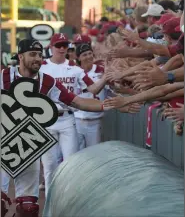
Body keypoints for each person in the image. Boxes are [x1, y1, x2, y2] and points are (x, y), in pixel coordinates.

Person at [1, 39, 113, 217]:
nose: (37, 58)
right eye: (32, 54)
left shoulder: (47, 81)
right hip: (3, 145)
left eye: (39, 54)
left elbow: (77, 101)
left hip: (28, 145)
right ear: (20, 56)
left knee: (29, 207)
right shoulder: (4, 76)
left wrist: (110, 105)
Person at [40, 33, 109, 197]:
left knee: (71, 163)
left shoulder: (75, 69)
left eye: (65, 45)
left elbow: (93, 89)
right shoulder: (42, 66)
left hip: (68, 118)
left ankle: (68, 200)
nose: (62, 49)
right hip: (47, 120)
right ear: (51, 47)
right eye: (59, 45)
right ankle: (51, 203)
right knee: (50, 166)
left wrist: (107, 76)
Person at [74, 43, 110, 149]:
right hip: (77, 119)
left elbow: (114, 88)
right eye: (84, 54)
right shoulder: (73, 72)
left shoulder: (101, 70)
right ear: (78, 58)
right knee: (77, 154)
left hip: (95, 119)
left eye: (90, 53)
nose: (88, 56)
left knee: (94, 153)